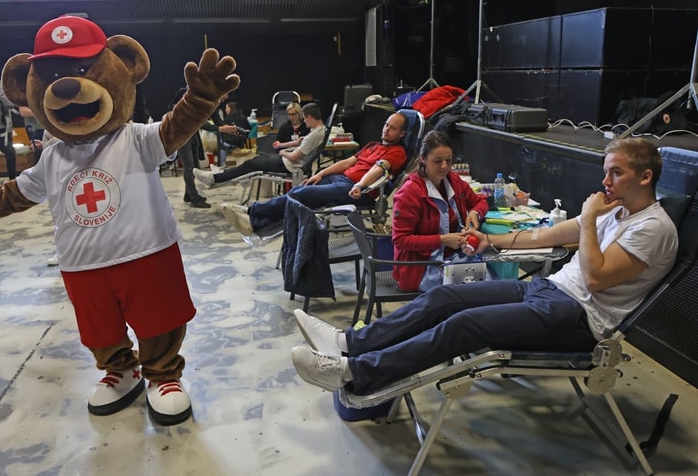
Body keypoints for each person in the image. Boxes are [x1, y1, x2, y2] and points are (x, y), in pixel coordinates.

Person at [290, 137, 679, 395]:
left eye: (616, 173)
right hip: (549, 291)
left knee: (463, 325)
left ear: (645, 177)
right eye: (605, 171)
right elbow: (545, 236)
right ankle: (348, 343)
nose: (605, 181)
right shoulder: (615, 212)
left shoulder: (653, 227)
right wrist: (490, 240)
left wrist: (590, 218)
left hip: (578, 316)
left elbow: (594, 278)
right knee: (443, 298)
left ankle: (355, 373)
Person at [219, 112, 409, 237]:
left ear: (402, 134)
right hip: (341, 180)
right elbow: (347, 162)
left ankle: (252, 213)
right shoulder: (373, 145)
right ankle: (257, 223)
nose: (386, 129)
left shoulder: (397, 152)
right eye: (386, 125)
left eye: (392, 128)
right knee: (305, 188)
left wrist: (359, 185)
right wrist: (321, 173)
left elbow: (378, 169)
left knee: (301, 194)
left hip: (356, 190)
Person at [391, 130, 488, 292]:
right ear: (423, 159)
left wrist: (474, 213)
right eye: (437, 161)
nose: (444, 166)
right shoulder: (410, 193)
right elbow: (400, 240)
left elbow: (480, 201)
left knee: (492, 279)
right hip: (421, 268)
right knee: (480, 287)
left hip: (452, 258)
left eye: (448, 160)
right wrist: (442, 240)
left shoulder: (453, 180)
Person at [193, 103, 326, 190]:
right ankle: (233, 175)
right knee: (254, 161)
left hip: (290, 164)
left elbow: (294, 156)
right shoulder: (319, 131)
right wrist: (287, 146)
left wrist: (283, 152)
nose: (304, 121)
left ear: (309, 117)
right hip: (289, 162)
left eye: (304, 118)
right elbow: (298, 144)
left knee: (250, 164)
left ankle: (214, 178)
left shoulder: (314, 134)